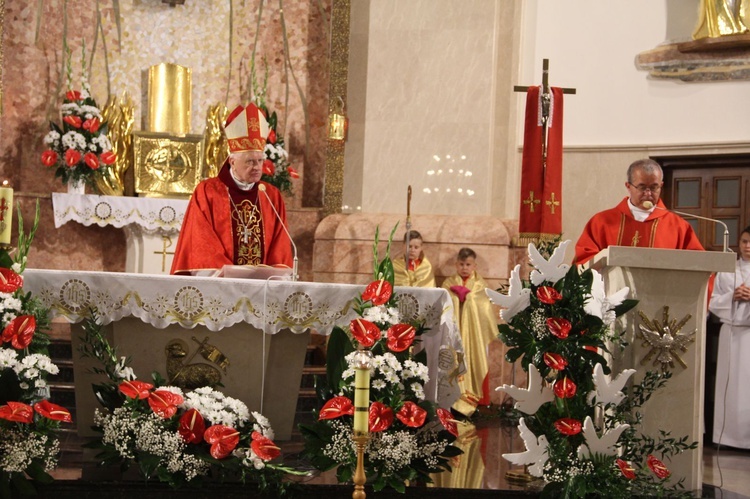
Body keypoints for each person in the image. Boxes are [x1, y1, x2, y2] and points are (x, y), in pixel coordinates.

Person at [170, 103, 293, 275]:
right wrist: (231, 274)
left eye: (259, 161)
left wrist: (272, 274)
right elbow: (201, 242)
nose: (257, 167)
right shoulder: (208, 192)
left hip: (262, 289)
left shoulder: (271, 196)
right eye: (250, 161)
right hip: (220, 285)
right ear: (232, 162)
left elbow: (280, 249)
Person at [574, 158, 705, 265]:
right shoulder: (602, 222)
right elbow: (584, 261)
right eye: (642, 187)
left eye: (654, 187)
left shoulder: (678, 226)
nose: (648, 194)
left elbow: (699, 265)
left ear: (661, 186)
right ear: (628, 186)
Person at [708, 225, 750, 449]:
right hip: (731, 333)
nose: (747, 246)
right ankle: (727, 438)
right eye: (744, 241)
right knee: (730, 384)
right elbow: (712, 302)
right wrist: (732, 296)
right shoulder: (727, 270)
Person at [442, 247, 497, 417]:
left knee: (474, 362)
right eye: (461, 264)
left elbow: (483, 306)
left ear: (475, 266)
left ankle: (475, 402)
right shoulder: (448, 283)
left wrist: (469, 297)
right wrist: (454, 297)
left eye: (468, 264)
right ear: (456, 264)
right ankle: (451, 401)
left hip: (473, 337)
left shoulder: (481, 285)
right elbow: (443, 303)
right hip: (454, 334)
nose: (464, 268)